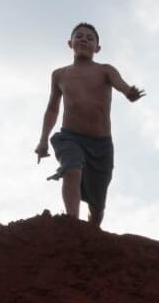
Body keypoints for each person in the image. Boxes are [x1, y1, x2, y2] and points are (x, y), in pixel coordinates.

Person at [35, 22, 145, 226]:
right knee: (71, 168)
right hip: (70, 137)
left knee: (97, 202)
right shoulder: (59, 74)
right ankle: (72, 223)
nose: (84, 39)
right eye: (79, 36)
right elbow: (52, 109)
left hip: (100, 144)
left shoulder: (105, 70)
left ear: (98, 48)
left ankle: (93, 227)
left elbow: (121, 84)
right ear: (70, 43)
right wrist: (42, 140)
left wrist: (129, 92)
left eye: (90, 37)